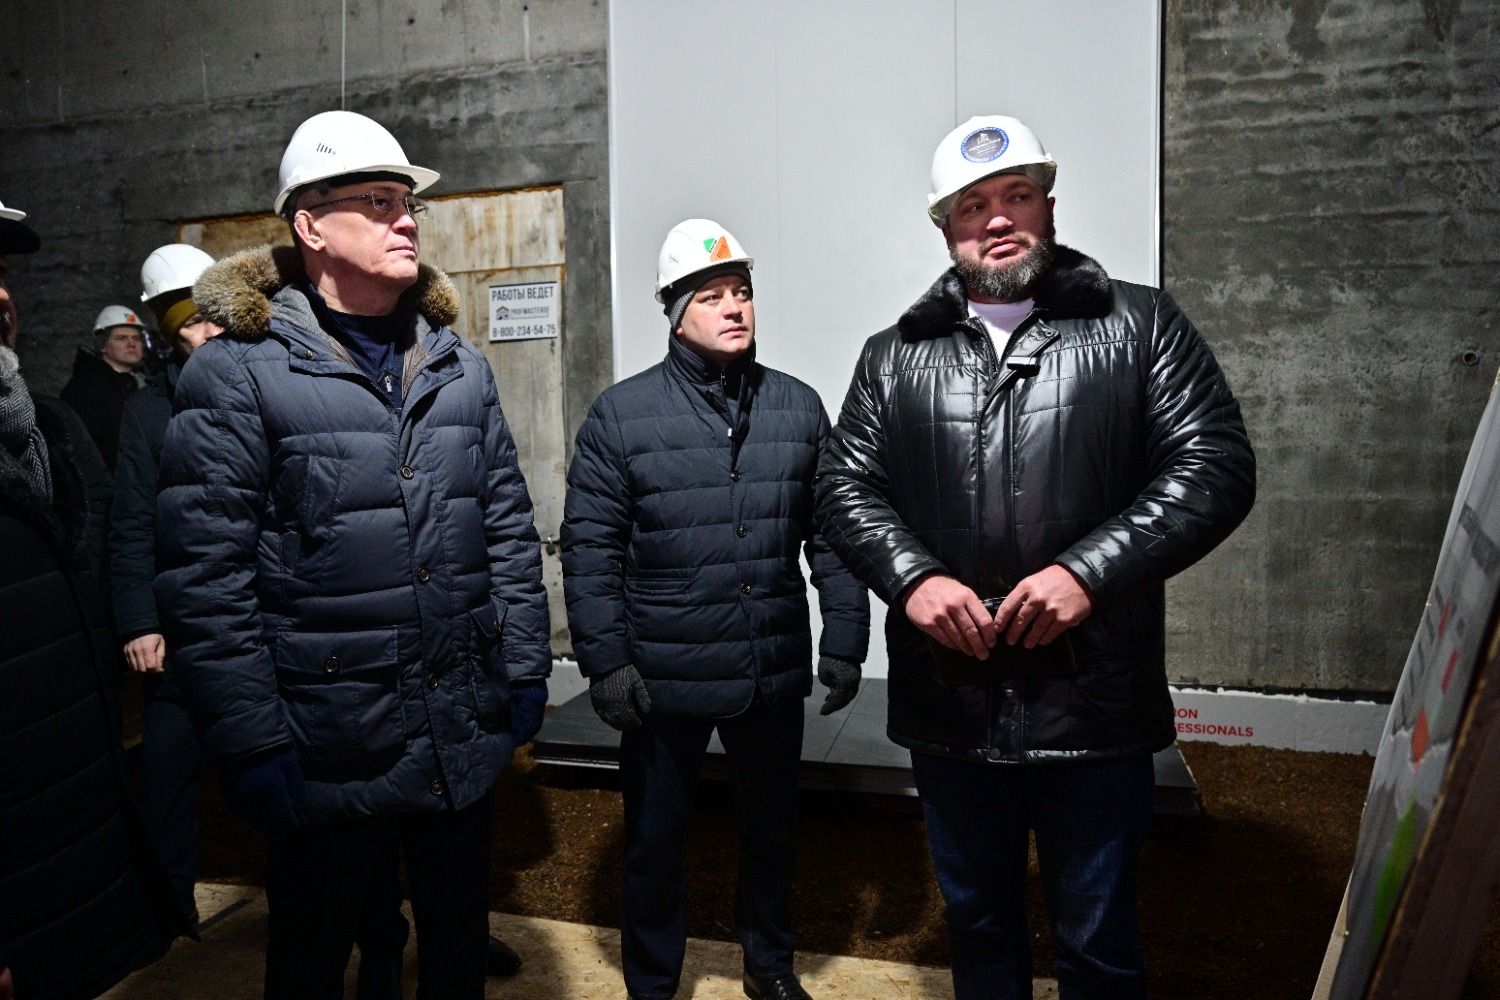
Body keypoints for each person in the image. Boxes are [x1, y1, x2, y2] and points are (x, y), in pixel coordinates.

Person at [814, 115, 1257, 1000]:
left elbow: (1214, 465)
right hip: (953, 707)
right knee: (978, 928)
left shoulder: (1140, 325)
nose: (997, 218)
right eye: (972, 204)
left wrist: (1087, 573)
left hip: (1092, 705)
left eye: (1016, 195)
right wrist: (913, 579)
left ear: (1048, 207)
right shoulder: (893, 357)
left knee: (1097, 940)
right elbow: (842, 487)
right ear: (945, 226)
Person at [153, 110, 551, 1000]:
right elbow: (206, 580)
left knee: (454, 957)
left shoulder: (458, 368)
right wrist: (251, 739)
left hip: (457, 727)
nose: (405, 219)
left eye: (408, 203)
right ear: (310, 225)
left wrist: (523, 666)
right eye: (377, 201)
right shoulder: (237, 374)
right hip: (326, 742)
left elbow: (507, 531)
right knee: (312, 962)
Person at [562, 219, 870, 1000]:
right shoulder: (622, 416)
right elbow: (591, 548)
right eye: (710, 296)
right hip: (663, 676)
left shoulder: (797, 408)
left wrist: (844, 636)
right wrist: (606, 661)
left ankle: (769, 966)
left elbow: (832, 535)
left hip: (768, 667)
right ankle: (652, 981)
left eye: (742, 292)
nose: (734, 307)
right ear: (675, 314)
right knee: (655, 840)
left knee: (772, 832)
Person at [0, 197, 187, 999]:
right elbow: (131, 518)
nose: (2, 296)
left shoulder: (46, 429)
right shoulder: (107, 405)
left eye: (1, 273)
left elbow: (105, 522)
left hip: (67, 849)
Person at [109, 243, 222, 925]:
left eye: (213, 317)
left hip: (260, 617)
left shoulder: (266, 384)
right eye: (190, 323)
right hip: (180, 623)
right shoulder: (149, 413)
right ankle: (166, 907)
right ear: (167, 332)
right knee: (168, 770)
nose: (207, 333)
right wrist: (138, 619)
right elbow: (129, 521)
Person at [60, 303, 149, 470]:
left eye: (136, 338)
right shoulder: (85, 388)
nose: (132, 344)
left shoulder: (149, 382)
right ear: (103, 345)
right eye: (121, 338)